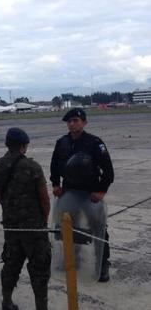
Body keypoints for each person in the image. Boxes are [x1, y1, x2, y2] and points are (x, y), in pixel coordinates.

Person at [50, 107, 114, 282]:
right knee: (68, 227)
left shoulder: (95, 143)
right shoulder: (61, 142)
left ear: (84, 122)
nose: (72, 124)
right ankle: (73, 259)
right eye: (69, 121)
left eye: (76, 121)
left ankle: (102, 263)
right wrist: (55, 183)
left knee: (98, 228)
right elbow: (54, 165)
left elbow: (108, 170)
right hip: (69, 192)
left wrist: (101, 190)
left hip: (90, 193)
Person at [0, 128, 51, 310]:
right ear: (24, 146)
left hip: (11, 225)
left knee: (11, 264)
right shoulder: (32, 167)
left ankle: (6, 301)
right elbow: (44, 199)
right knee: (39, 269)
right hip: (33, 227)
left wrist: (11, 210)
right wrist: (43, 220)